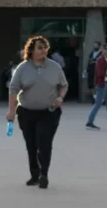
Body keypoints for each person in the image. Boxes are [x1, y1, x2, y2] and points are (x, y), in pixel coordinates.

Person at [6, 36, 68, 189]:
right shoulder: (23, 68)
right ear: (31, 50)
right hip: (27, 112)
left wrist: (60, 97)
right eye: (40, 47)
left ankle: (44, 174)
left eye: (45, 47)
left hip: (49, 112)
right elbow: (13, 89)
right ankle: (34, 174)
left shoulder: (55, 67)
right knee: (31, 144)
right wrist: (11, 111)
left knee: (44, 142)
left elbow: (64, 85)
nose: (43, 50)